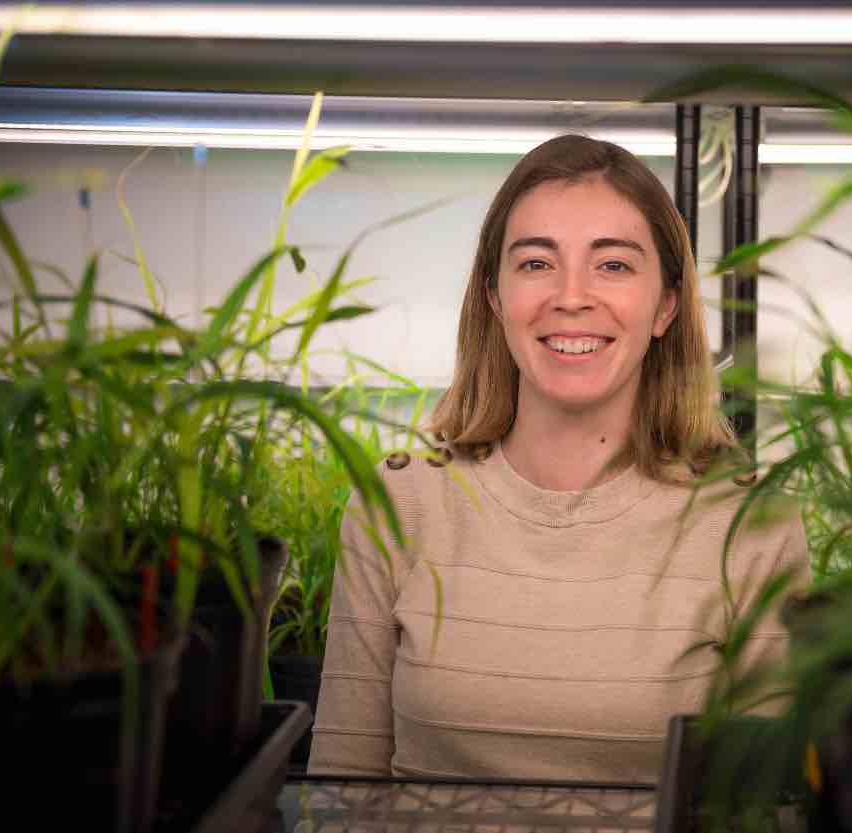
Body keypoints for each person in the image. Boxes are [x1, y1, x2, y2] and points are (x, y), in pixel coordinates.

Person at [308, 134, 807, 783]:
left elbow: (766, 807)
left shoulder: (751, 521)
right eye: (537, 263)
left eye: (614, 265)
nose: (572, 296)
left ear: (666, 305)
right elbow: (338, 793)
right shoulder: (397, 503)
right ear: (494, 296)